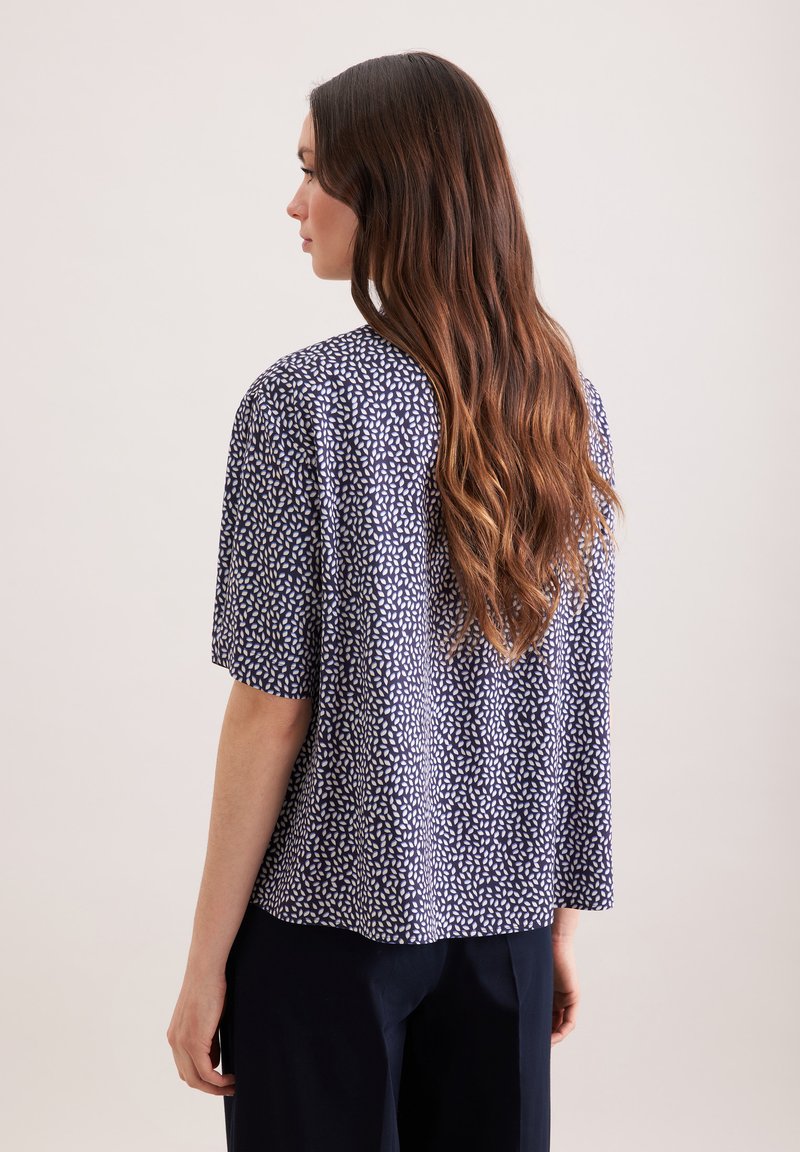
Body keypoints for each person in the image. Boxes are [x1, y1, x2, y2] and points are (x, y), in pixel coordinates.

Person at [166, 50, 623, 1152]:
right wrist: (555, 924)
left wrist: (205, 965)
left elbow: (269, 709)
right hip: (506, 930)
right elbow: (579, 690)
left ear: (391, 191)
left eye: (314, 171)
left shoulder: (301, 404)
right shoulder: (564, 401)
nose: (295, 202)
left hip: (327, 932)